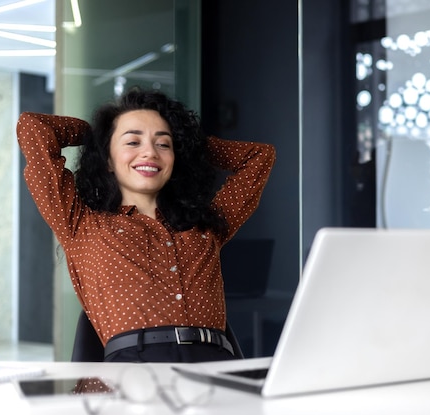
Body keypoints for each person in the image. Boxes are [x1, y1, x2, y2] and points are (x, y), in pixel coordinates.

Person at [17, 88, 275, 362]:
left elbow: (259, 156)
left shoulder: (204, 227)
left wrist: (188, 145)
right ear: (107, 159)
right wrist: (96, 135)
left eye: (163, 144)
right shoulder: (81, 224)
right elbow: (33, 127)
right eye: (132, 142)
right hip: (135, 369)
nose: (150, 152)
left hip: (215, 364)